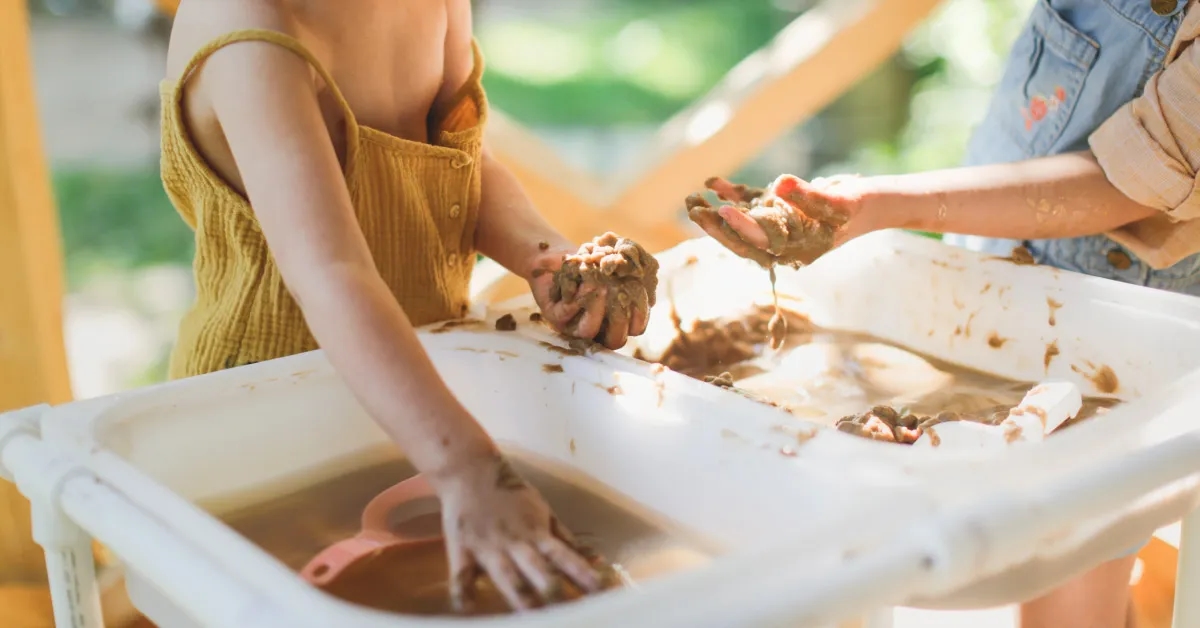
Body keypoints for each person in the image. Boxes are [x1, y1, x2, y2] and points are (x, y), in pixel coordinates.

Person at [695, 1, 1200, 626]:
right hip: (989, 246)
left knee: (1071, 567)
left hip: (1110, 329)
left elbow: (1127, 183)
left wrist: (878, 204)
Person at [160, 0, 650, 612]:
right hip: (263, 416)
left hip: (425, 401)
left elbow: (465, 163)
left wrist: (547, 258)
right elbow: (331, 273)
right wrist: (470, 469)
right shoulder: (248, 32)